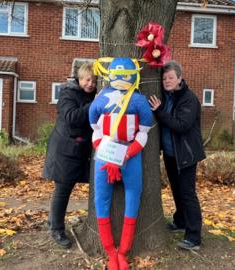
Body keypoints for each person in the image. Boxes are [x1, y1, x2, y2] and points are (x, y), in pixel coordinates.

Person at [89, 57, 153, 270]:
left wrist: (125, 154)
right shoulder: (101, 100)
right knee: (101, 199)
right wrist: (105, 151)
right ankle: (110, 251)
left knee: (134, 195)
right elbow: (95, 129)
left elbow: (143, 134)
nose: (121, 79)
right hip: (105, 157)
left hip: (130, 156)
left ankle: (123, 250)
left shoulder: (139, 101)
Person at [148, 60, 206, 251]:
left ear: (179, 78)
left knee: (187, 194)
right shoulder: (167, 96)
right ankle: (180, 221)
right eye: (164, 78)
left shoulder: (189, 99)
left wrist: (159, 111)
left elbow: (181, 125)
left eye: (171, 77)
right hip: (171, 155)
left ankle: (194, 237)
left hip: (186, 155)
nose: (167, 81)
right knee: (176, 191)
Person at [42, 63, 97, 248]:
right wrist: (94, 105)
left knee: (66, 188)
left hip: (79, 150)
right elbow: (71, 117)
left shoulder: (91, 94)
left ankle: (52, 221)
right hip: (65, 150)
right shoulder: (68, 93)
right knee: (63, 190)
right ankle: (56, 230)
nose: (90, 83)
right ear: (79, 79)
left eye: (94, 80)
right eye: (87, 79)